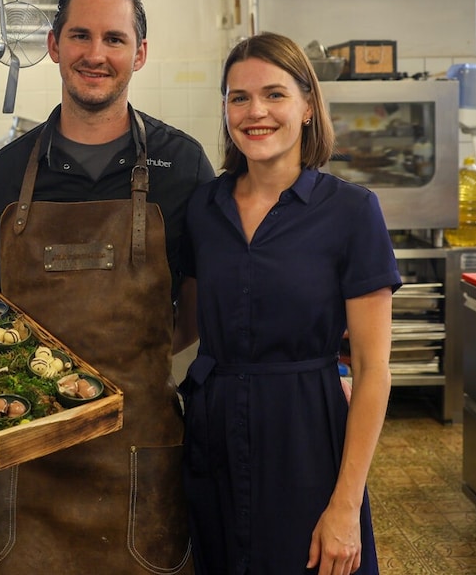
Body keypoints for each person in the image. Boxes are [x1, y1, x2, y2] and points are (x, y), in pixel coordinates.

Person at [0, 0, 214, 573]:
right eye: (81, 36)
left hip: (137, 452)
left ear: (139, 53)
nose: (97, 54)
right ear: (54, 44)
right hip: (20, 447)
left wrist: (130, 366)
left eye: (115, 38)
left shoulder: (184, 165)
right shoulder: (2, 174)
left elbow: (202, 293)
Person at [177, 32, 401, 575]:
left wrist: (345, 504)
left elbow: (373, 371)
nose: (256, 111)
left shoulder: (351, 211)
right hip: (214, 431)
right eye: (238, 97)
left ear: (306, 107)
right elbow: (182, 326)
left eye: (274, 95)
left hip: (306, 435)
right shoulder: (203, 209)